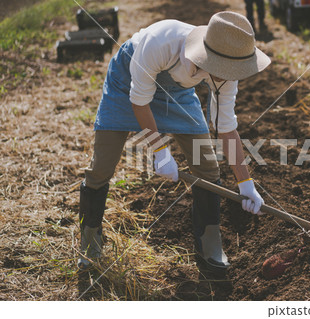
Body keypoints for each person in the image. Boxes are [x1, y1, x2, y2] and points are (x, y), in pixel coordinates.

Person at [78, 11, 271, 271]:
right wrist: (160, 151)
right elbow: (139, 101)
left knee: (207, 167)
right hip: (128, 83)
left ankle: (209, 246)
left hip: (178, 92)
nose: (231, 75)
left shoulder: (228, 67)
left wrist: (245, 183)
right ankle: (90, 244)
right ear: (208, 57)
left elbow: (226, 127)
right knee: (103, 165)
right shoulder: (160, 43)